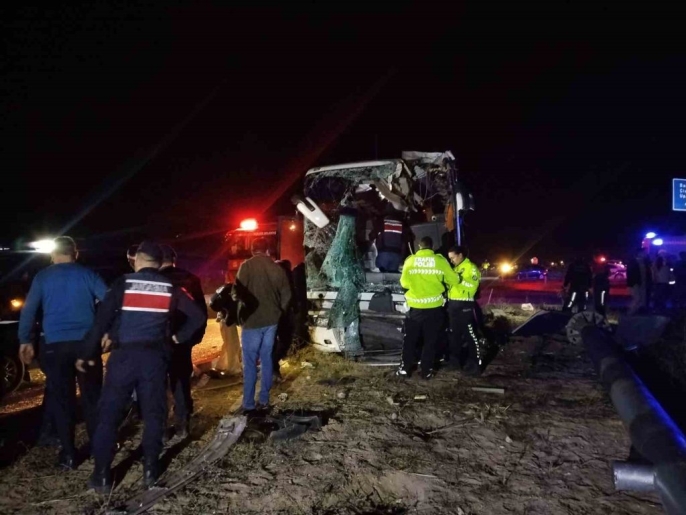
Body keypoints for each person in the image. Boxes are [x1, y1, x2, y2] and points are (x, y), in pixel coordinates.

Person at [80, 242, 206, 493]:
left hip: (124, 357)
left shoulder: (123, 283)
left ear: (137, 259)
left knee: (109, 414)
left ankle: (102, 475)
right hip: (155, 359)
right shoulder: (170, 287)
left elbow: (101, 321)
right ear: (159, 263)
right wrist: (178, 338)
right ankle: (150, 469)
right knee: (154, 414)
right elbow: (198, 316)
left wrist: (87, 353)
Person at [17, 236, 107, 469]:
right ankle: (99, 449)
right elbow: (109, 302)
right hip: (86, 346)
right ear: (75, 253)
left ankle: (69, 454)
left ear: (52, 255)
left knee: (62, 400)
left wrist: (25, 339)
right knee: (91, 397)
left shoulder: (43, 277)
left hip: (54, 347)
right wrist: (107, 331)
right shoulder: (87, 274)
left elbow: (29, 310)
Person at [232, 237, 291, 413]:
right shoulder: (277, 268)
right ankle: (264, 399)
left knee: (250, 362)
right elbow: (287, 294)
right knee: (267, 359)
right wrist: (279, 312)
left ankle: (249, 403)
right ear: (267, 250)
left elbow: (236, 292)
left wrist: (241, 308)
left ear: (252, 250)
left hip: (252, 322)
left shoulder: (246, 266)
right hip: (272, 321)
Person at [158, 245, 208, 439]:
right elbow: (200, 311)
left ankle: (162, 428)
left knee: (160, 384)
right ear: (174, 260)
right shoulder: (190, 278)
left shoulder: (155, 280)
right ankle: (183, 423)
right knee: (181, 380)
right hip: (182, 339)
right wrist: (193, 337)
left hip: (160, 339)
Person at [396, 236, 459, 380]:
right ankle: (426, 371)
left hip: (415, 308)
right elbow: (454, 280)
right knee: (430, 341)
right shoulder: (440, 261)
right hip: (434, 308)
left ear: (419, 246)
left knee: (410, 340)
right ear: (432, 247)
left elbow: (404, 283)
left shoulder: (410, 260)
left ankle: (404, 369)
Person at [446, 246, 483, 375]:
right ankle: (455, 362)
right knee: (454, 334)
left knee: (470, 334)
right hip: (453, 304)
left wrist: (458, 279)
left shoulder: (470, 267)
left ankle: (475, 364)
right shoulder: (455, 268)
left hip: (465, 304)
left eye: (453, 257)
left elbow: (472, 286)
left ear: (460, 255)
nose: (451, 261)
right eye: (450, 258)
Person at [369, 205, 412, 273]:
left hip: (383, 255)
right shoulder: (403, 225)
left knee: (382, 276)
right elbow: (408, 239)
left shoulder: (381, 223)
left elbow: (371, 236)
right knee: (393, 275)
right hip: (397, 255)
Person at [272, 260, 296, 383]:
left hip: (282, 315)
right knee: (280, 342)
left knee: (282, 342)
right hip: (278, 315)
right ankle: (273, 368)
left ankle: (273, 367)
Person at [627, 248, 651, 315]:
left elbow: (647, 274)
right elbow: (630, 273)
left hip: (642, 284)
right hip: (635, 284)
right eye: (644, 253)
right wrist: (632, 283)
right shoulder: (633, 262)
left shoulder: (644, 262)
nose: (645, 254)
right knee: (637, 298)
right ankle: (630, 313)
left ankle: (635, 313)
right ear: (639, 253)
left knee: (642, 300)